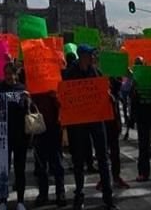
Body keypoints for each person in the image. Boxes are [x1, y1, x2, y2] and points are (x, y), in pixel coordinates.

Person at [63, 45, 115, 210]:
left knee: (103, 159)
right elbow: (64, 96)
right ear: (83, 56)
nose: (94, 57)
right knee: (78, 160)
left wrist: (109, 96)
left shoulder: (97, 72)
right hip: (78, 124)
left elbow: (107, 91)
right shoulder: (69, 74)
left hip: (96, 121)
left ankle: (108, 197)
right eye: (91, 54)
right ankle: (79, 196)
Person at [0, 63, 30, 210]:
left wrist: (28, 100)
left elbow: (27, 111)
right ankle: (2, 200)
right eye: (6, 73)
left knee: (20, 169)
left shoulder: (22, 89)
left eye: (10, 73)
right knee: (4, 169)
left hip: (20, 136)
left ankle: (20, 201)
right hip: (3, 136)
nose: (8, 76)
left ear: (16, 74)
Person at [31, 89, 65, 207]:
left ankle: (60, 193)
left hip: (53, 128)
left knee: (57, 163)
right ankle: (43, 194)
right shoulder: (31, 86)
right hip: (38, 129)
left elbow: (63, 105)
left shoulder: (54, 85)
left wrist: (55, 97)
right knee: (41, 165)